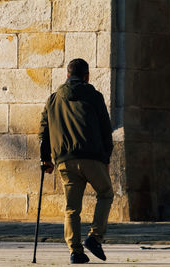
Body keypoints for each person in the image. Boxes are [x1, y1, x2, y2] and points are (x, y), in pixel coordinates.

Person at [39, 58, 114, 264]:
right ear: (86, 76)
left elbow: (43, 132)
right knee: (106, 193)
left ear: (67, 75)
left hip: (64, 161)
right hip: (91, 157)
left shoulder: (53, 99)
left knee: (72, 208)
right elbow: (105, 129)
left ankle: (75, 251)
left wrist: (45, 159)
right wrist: (106, 156)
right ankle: (95, 238)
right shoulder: (94, 96)